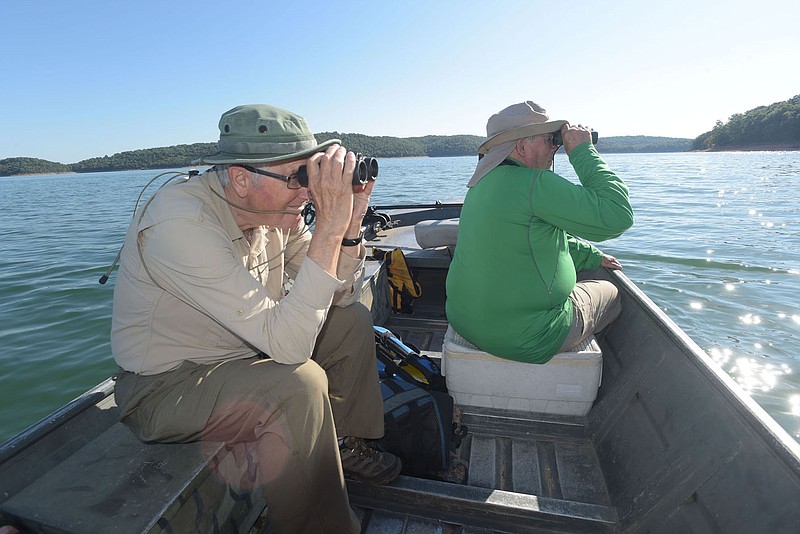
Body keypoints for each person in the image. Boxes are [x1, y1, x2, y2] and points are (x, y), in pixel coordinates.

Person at [110, 104, 400, 533]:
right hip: (166, 385)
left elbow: (338, 293)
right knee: (298, 385)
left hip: (244, 352)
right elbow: (290, 349)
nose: (308, 192)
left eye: (312, 176)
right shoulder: (179, 222)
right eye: (298, 178)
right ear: (242, 178)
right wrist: (327, 226)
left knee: (351, 322)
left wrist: (350, 222)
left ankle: (341, 445)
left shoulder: (275, 212)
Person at [446, 101, 634, 364]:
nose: (556, 147)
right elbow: (617, 215)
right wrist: (583, 151)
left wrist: (591, 256)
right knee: (611, 293)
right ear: (522, 146)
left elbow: (531, 236)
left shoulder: (481, 183)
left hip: (466, 321)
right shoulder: (536, 184)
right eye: (550, 140)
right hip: (531, 336)